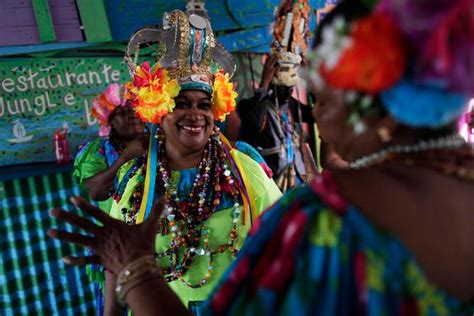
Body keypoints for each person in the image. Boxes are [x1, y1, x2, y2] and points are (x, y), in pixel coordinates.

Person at [49, 0, 474, 315]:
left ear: (369, 101)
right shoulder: (137, 181)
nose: (317, 116)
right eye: (182, 103)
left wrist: (136, 270)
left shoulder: (326, 213)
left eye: (322, 97)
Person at [81, 11, 281, 315]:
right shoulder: (137, 181)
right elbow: (120, 257)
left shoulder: (243, 168)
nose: (195, 115)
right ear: (160, 112)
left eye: (204, 105)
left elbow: (285, 239)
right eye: (181, 104)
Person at [73, 83, 148, 314]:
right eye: (122, 112)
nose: (131, 114)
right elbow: (96, 190)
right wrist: (126, 157)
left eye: (134, 108)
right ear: (108, 121)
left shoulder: (161, 142)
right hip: (117, 242)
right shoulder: (97, 151)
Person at [237, 0, 315, 192]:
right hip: (269, 188)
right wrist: (264, 84)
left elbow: (317, 114)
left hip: (296, 184)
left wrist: (311, 78)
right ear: (271, 74)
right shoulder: (252, 106)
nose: (288, 88)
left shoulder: (290, 107)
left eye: (294, 73)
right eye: (283, 71)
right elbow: (254, 122)